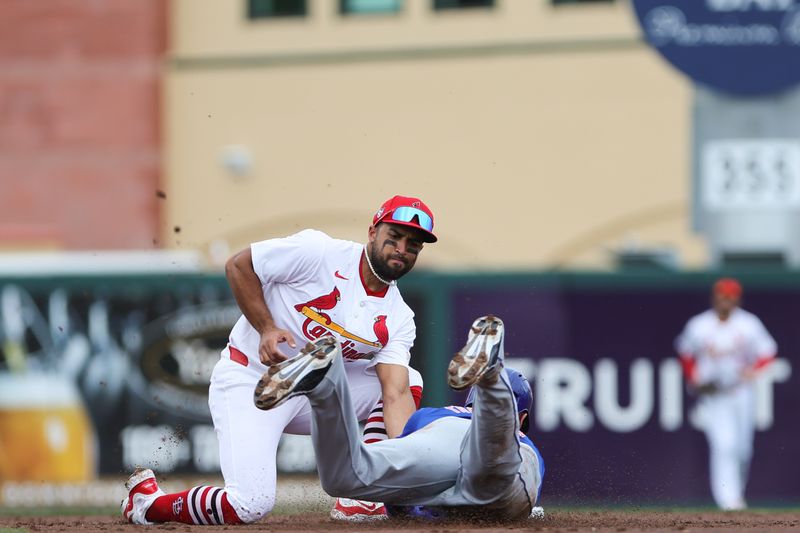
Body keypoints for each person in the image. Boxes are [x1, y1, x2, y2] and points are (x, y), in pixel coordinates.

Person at [121, 195, 437, 525]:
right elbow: (238, 266)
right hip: (253, 381)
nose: (402, 248)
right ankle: (148, 504)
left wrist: (404, 471)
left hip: (315, 398)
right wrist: (266, 327)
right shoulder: (319, 254)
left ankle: (362, 496)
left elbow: (396, 395)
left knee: (406, 380)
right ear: (373, 231)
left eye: (413, 244)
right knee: (249, 504)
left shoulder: (399, 317)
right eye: (395, 236)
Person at [254, 315, 544, 522]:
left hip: (436, 435)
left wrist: (413, 505)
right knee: (493, 468)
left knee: (346, 476)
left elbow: (397, 500)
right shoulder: (525, 443)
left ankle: (326, 384)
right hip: (495, 453)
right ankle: (492, 377)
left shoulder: (431, 416)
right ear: (523, 417)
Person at [675, 278, 777, 511]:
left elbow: (768, 351)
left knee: (743, 448)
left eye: (731, 296)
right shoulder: (699, 325)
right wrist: (693, 378)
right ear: (715, 297)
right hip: (714, 394)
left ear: (737, 299)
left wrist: (754, 371)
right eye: (723, 295)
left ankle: (735, 494)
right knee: (724, 445)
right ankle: (728, 500)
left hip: (740, 391)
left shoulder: (748, 324)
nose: (726, 300)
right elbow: (685, 352)